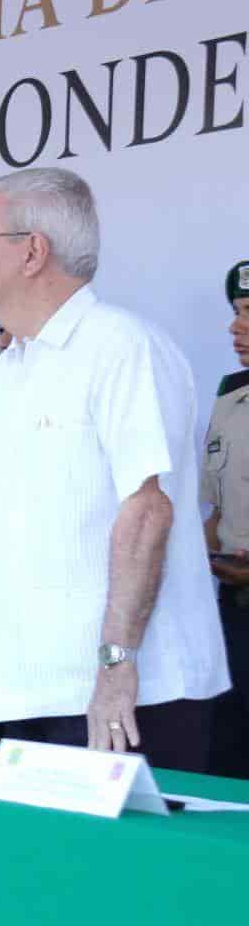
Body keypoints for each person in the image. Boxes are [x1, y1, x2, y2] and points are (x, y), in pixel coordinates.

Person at [0, 167, 228, 769]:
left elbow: (147, 512)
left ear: (33, 251)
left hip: (130, 697)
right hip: (30, 694)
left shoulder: (124, 348)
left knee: (132, 866)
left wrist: (116, 666)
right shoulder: (4, 373)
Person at [201, 258, 249, 777]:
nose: (236, 326)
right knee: (227, 767)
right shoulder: (230, 397)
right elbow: (214, 507)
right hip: (234, 613)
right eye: (237, 311)